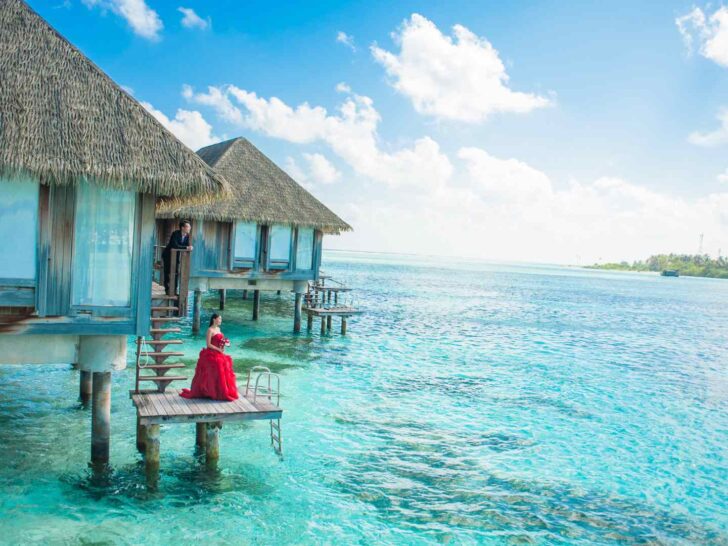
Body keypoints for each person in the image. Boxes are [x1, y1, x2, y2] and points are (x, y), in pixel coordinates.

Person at [180, 313, 239, 401]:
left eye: (221, 319)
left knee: (226, 363)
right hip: (211, 353)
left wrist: (222, 347)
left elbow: (220, 341)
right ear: (214, 319)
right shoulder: (210, 330)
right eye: (219, 319)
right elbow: (208, 344)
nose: (221, 320)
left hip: (219, 352)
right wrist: (218, 350)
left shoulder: (219, 329)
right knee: (218, 364)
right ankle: (210, 391)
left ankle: (219, 391)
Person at [162, 220, 193, 294]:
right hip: (168, 255)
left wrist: (190, 247)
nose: (189, 228)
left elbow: (188, 245)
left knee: (176, 273)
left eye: (189, 227)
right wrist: (186, 248)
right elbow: (174, 245)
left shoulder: (187, 236)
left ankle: (174, 290)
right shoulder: (175, 234)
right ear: (182, 228)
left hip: (176, 257)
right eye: (188, 226)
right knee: (167, 272)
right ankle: (167, 289)